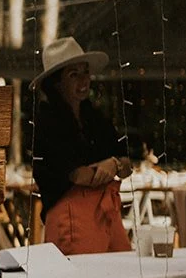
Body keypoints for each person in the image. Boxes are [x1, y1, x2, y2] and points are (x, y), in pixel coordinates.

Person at [31, 37, 132, 255]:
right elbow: (79, 175)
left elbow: (127, 165)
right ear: (56, 83)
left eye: (85, 72)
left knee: (123, 273)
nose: (83, 80)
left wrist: (113, 164)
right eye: (73, 74)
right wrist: (113, 165)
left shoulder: (94, 117)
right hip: (71, 216)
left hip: (106, 212)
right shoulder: (48, 123)